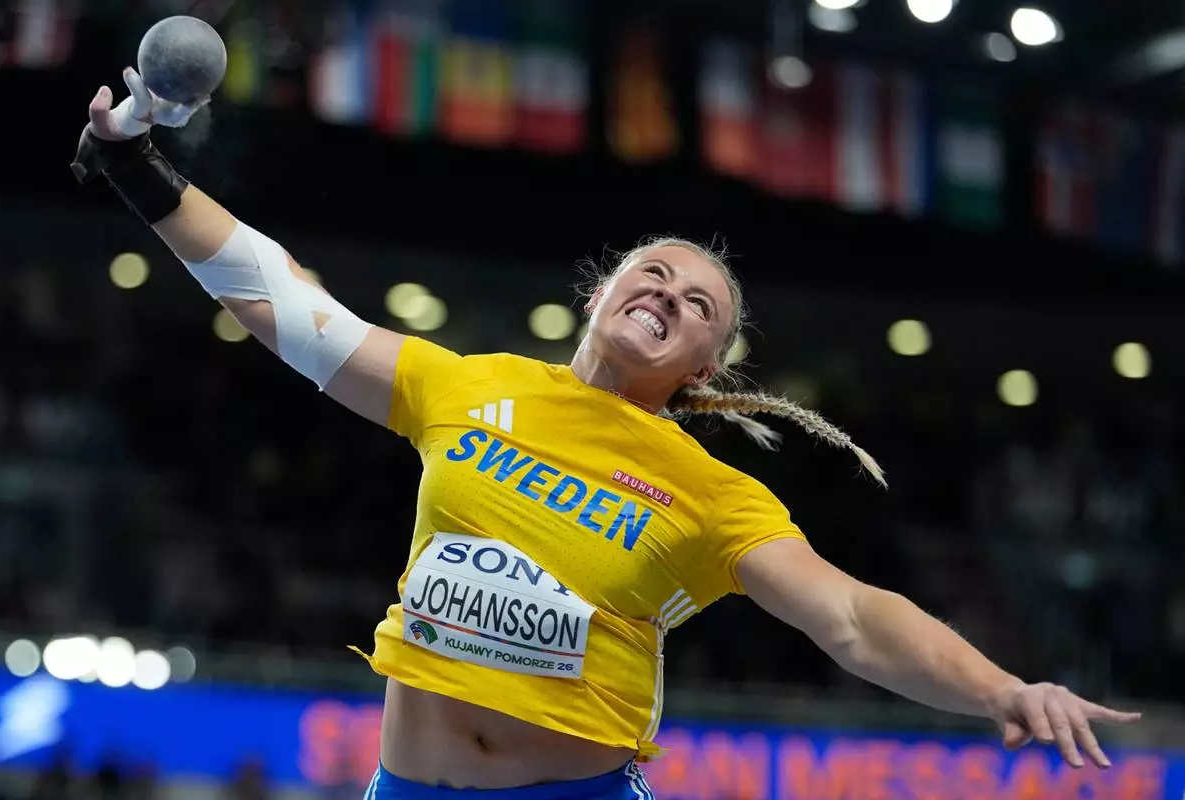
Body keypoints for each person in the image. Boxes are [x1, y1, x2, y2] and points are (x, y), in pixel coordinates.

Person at [73, 69, 1140, 797]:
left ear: (705, 366)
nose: (670, 295)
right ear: (605, 289)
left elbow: (854, 617)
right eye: (655, 273)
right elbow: (292, 309)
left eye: (699, 304)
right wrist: (144, 176)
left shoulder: (713, 493)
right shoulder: (466, 384)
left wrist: (1006, 687)